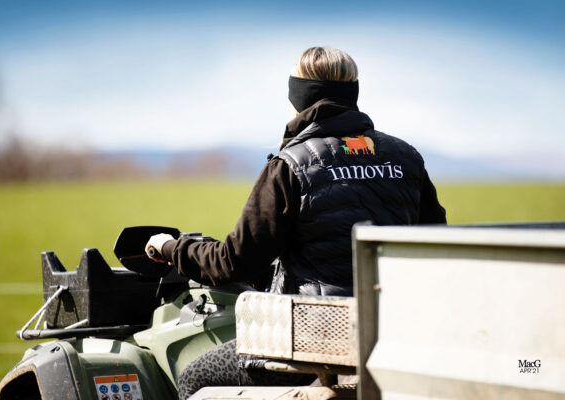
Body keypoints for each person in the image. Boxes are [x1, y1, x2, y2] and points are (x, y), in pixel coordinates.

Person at [145, 46, 446, 398]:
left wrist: (171, 247)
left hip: (315, 338)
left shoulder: (291, 166)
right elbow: (436, 246)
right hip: (393, 334)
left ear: (298, 95)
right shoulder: (406, 158)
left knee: (195, 378)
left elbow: (232, 262)